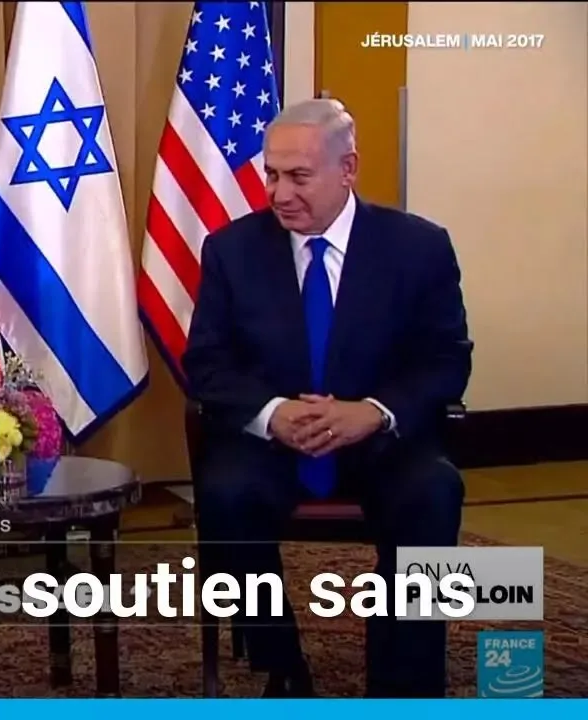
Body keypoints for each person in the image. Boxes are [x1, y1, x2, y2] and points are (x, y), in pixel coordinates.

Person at [183, 98, 473, 698]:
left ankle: (404, 684)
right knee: (224, 492)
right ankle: (280, 665)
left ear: (348, 169)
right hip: (273, 445)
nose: (279, 193)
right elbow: (207, 363)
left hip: (381, 444)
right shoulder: (232, 251)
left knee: (434, 490)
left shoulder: (418, 247)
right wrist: (274, 414)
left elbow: (446, 358)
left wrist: (374, 412)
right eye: (271, 174)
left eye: (298, 176)